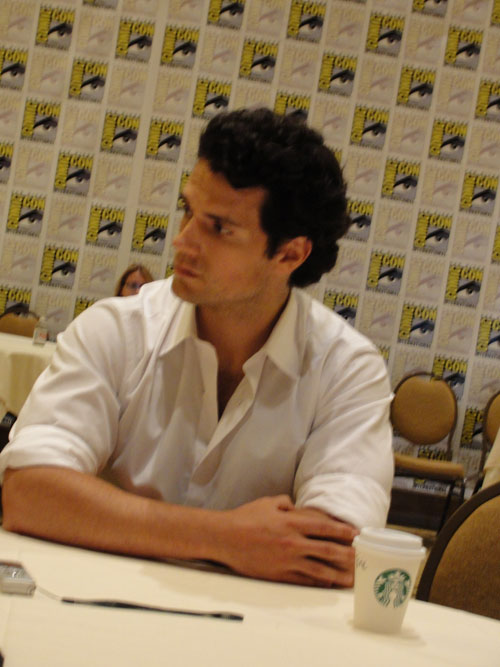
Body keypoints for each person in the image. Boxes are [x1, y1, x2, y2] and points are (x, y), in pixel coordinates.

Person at [0, 108, 393, 588]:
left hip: (256, 626)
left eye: (219, 228)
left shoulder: (347, 368)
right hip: (92, 604)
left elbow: (331, 551)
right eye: (188, 211)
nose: (183, 241)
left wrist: (121, 520)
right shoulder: (116, 330)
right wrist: (225, 539)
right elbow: (28, 494)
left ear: (290, 253)